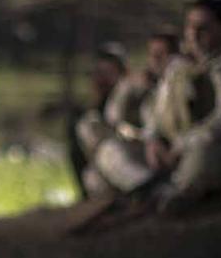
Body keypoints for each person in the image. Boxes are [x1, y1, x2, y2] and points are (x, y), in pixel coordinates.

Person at [143, 0, 221, 212]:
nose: (195, 34)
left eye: (204, 28)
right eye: (191, 27)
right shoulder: (179, 67)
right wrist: (153, 140)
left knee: (203, 157)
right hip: (174, 148)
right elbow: (157, 110)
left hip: (211, 147)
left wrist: (183, 144)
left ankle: (178, 192)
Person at [75, 33, 180, 196]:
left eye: (161, 55)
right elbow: (114, 118)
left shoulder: (175, 83)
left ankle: (147, 189)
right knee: (93, 176)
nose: (156, 61)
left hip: (164, 152)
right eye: (153, 55)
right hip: (138, 146)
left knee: (107, 152)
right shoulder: (135, 86)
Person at [66, 43, 129, 198]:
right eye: (99, 73)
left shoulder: (128, 96)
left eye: (108, 73)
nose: (102, 79)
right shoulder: (89, 113)